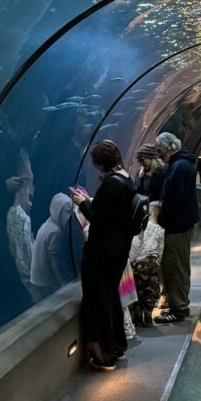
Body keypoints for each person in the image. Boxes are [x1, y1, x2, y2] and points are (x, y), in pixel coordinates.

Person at [70, 140, 146, 371]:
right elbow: (114, 212)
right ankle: (118, 346)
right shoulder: (125, 180)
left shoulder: (111, 184)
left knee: (100, 301)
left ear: (101, 163)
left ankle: (105, 355)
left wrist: (82, 203)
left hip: (102, 252)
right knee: (112, 298)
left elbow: (98, 218)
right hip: (119, 250)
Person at [154, 132, 198, 323]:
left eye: (159, 149)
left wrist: (161, 216)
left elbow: (174, 198)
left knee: (175, 266)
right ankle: (179, 304)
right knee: (179, 265)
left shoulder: (178, 167)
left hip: (176, 225)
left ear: (169, 147)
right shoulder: (182, 164)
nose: (158, 153)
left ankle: (178, 309)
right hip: (182, 223)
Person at [30, 192, 76, 298]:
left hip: (36, 278)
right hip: (45, 281)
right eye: (68, 216)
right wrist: (62, 282)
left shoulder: (46, 225)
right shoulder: (56, 232)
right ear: (60, 213)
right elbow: (54, 261)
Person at [129, 201, 165, 328]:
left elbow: (134, 246)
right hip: (152, 264)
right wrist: (157, 264)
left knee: (138, 291)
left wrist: (132, 261)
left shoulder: (140, 228)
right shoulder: (161, 230)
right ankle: (148, 316)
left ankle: (138, 317)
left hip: (138, 264)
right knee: (151, 290)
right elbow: (160, 251)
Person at [5, 166, 37, 300]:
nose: (32, 191)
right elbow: (25, 261)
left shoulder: (14, 213)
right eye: (29, 186)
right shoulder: (21, 218)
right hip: (33, 281)